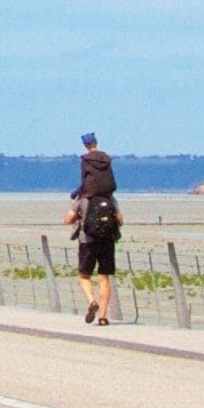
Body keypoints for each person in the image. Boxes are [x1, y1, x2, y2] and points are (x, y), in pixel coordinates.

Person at [69, 132, 123, 326]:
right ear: (97, 142)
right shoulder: (111, 199)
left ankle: (92, 301)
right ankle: (103, 317)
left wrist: (76, 201)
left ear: (85, 145)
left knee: (84, 276)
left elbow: (68, 218)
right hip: (107, 238)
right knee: (104, 278)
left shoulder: (84, 198)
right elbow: (120, 219)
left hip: (88, 239)